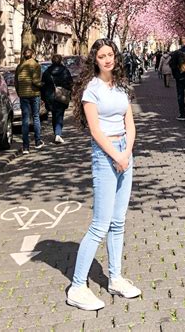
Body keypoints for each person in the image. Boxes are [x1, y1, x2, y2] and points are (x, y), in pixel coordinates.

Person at [67, 39, 140, 312]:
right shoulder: (91, 89)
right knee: (100, 224)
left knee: (118, 221)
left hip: (125, 151)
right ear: (94, 60)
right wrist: (116, 155)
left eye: (110, 55)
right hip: (105, 153)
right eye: (102, 56)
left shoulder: (121, 85)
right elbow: (95, 131)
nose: (107, 59)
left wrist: (127, 152)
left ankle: (116, 277)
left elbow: (130, 122)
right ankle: (77, 286)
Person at [15, 47, 43, 153]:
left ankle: (25, 147)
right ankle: (37, 142)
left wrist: (19, 92)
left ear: (23, 55)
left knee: (25, 120)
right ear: (32, 54)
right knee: (36, 117)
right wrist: (42, 85)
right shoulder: (36, 65)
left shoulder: (19, 66)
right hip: (34, 94)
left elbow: (16, 82)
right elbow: (36, 81)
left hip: (23, 95)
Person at [41, 54, 73, 144]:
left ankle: (56, 133)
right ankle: (58, 134)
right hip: (61, 96)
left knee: (54, 115)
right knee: (59, 115)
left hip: (50, 96)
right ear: (60, 61)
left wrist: (44, 97)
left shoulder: (47, 72)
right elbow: (70, 83)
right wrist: (69, 93)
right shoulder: (65, 71)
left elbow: (43, 85)